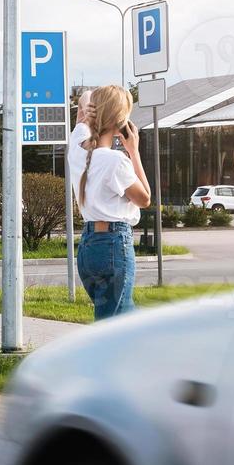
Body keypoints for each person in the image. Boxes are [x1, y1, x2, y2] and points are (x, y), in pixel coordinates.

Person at [66, 85, 152, 320]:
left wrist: (88, 114)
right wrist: (133, 151)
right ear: (121, 122)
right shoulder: (116, 161)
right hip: (114, 245)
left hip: (88, 248)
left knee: (124, 320)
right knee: (113, 327)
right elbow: (145, 198)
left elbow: (84, 99)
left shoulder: (77, 146)